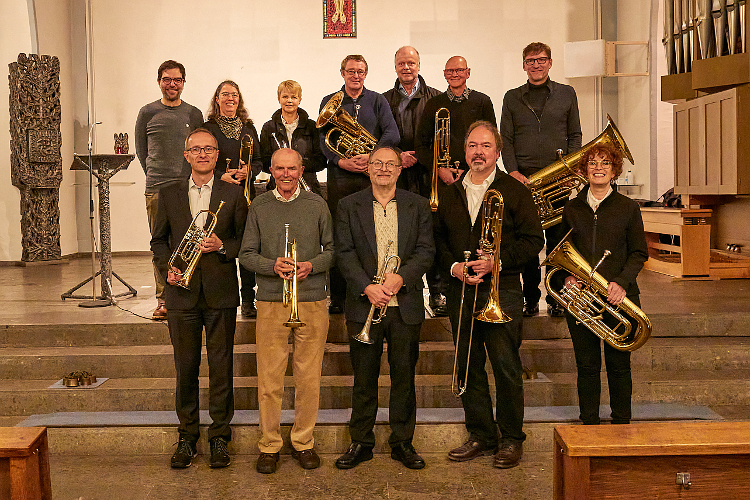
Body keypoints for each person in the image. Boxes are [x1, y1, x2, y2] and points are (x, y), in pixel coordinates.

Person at [434, 121, 543, 469]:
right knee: (468, 368)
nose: (478, 152)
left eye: (485, 145)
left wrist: (497, 261)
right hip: (461, 292)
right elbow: (435, 244)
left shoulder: (514, 190)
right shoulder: (449, 194)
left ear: (497, 152)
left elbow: (533, 241)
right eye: (471, 146)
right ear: (464, 152)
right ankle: (481, 434)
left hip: (503, 291)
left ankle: (511, 438)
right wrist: (454, 268)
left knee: (506, 368)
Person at [150, 128, 248, 469]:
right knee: (186, 368)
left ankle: (220, 436)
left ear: (217, 155)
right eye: (196, 149)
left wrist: (222, 246)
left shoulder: (233, 194)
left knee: (221, 368)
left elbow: (245, 242)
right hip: (181, 293)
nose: (203, 154)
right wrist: (168, 269)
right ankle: (188, 436)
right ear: (186, 155)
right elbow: (158, 241)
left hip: (220, 293)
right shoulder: (170, 192)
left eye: (209, 149)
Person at [334, 146, 434, 470]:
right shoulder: (349, 206)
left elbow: (425, 251)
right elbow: (344, 253)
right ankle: (361, 443)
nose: (384, 169)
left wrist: (400, 279)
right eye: (377, 163)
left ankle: (402, 443)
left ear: (399, 169)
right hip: (365, 304)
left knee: (404, 378)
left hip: (403, 304)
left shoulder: (417, 205)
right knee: (364, 378)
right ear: (368, 168)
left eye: (390, 164)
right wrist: (368, 286)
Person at [239, 148, 334, 474]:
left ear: (301, 170)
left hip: (311, 300)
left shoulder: (317, 204)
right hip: (270, 301)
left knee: (309, 378)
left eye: (291, 169)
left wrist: (311, 265)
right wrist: (270, 265)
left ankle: (303, 442)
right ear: (271, 170)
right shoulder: (259, 206)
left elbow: (333, 252)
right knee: (269, 379)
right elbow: (246, 254)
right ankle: (269, 445)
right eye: (279, 169)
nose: (286, 174)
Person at [556, 142, 648, 425]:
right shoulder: (571, 208)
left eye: (605, 163)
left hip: (619, 297)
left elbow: (638, 253)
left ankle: (621, 423)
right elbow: (560, 251)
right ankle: (589, 424)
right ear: (584, 170)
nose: (598, 168)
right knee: (587, 366)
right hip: (582, 299)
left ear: (614, 170)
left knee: (619, 366)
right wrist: (567, 278)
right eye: (593, 163)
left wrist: (621, 283)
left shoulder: (628, 208)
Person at [499, 42, 582, 318]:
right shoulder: (512, 97)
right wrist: (512, 172)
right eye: (531, 60)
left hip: (557, 179)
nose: (536, 64)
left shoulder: (567, 93)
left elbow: (575, 136)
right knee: (528, 240)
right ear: (524, 65)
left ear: (550, 62)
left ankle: (556, 296)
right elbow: (506, 139)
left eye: (541, 59)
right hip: (522, 181)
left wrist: (569, 169)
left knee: (557, 240)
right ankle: (530, 298)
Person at [319, 54, 400, 313]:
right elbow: (323, 139)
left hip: (370, 178)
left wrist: (372, 154)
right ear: (342, 72)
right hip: (341, 178)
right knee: (340, 238)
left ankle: (369, 290)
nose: (356, 76)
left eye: (361, 71)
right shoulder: (329, 101)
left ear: (366, 74)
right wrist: (340, 161)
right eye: (351, 71)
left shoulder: (377, 100)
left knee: (369, 236)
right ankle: (339, 298)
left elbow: (392, 133)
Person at [135, 60, 204, 320]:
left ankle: (190, 295)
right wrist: (156, 175)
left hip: (188, 189)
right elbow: (142, 151)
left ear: (183, 83)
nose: (172, 84)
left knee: (189, 244)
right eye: (167, 79)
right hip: (156, 188)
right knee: (161, 246)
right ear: (159, 81)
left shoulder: (193, 114)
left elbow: (199, 147)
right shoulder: (147, 113)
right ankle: (164, 299)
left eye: (177, 80)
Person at [382, 46, 446, 317]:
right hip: (396, 175)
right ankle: (409, 291)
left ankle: (437, 292)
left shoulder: (436, 97)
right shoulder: (383, 100)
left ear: (419, 65)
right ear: (395, 66)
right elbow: (380, 136)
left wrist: (419, 156)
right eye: (401, 63)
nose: (406, 67)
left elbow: (444, 137)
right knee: (402, 234)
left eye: (411, 62)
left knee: (430, 232)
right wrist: (398, 156)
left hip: (427, 173)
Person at [202, 80, 263, 318]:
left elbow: (258, 160)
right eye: (225, 94)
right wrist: (221, 175)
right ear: (216, 99)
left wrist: (250, 170)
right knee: (224, 244)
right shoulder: (208, 128)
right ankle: (221, 298)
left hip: (246, 196)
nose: (230, 98)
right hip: (221, 195)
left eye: (234, 95)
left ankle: (248, 299)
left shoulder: (249, 128)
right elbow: (204, 159)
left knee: (246, 245)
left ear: (240, 99)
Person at [415, 56, 496, 188]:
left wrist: (476, 170)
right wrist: (439, 169)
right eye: (450, 71)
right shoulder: (433, 104)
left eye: (459, 70)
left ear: (468, 73)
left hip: (478, 174)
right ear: (444, 74)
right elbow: (421, 145)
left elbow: (493, 142)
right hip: (444, 177)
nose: (454, 74)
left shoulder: (483, 102)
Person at [259, 80, 327, 196]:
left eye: (294, 97)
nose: (289, 100)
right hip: (276, 189)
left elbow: (321, 161)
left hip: (308, 188)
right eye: (285, 96)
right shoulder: (268, 128)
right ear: (279, 99)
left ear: (300, 99)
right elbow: (264, 162)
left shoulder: (311, 127)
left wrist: (297, 165)